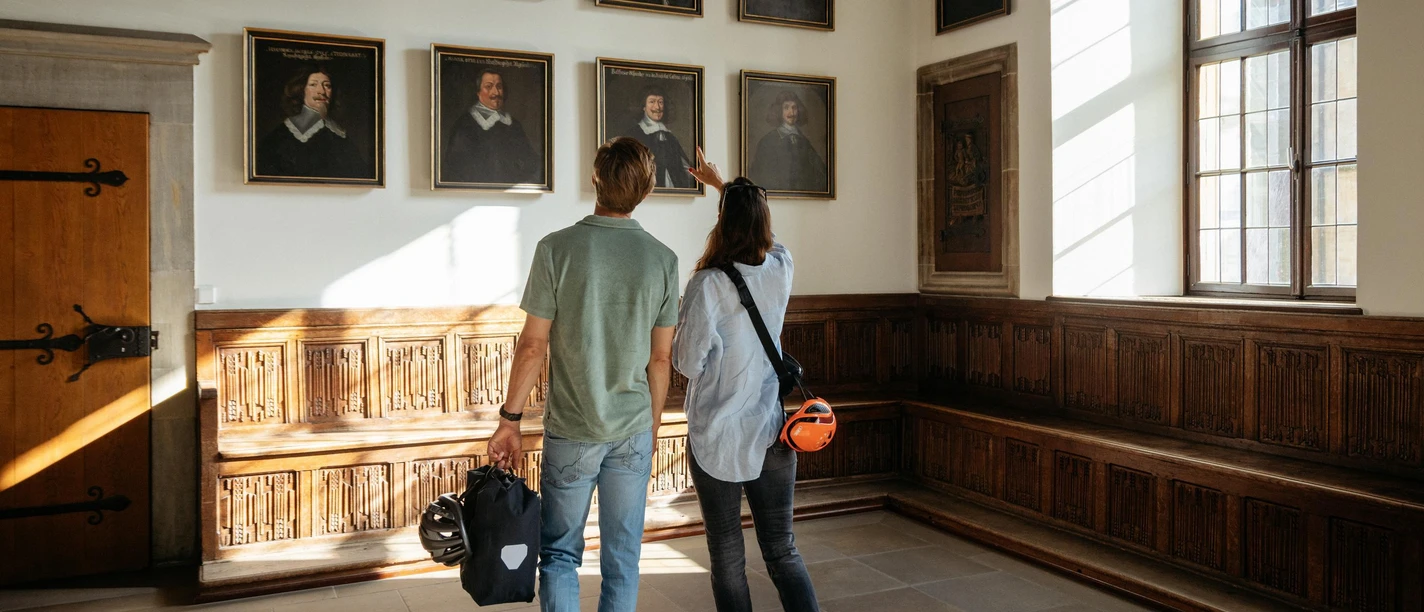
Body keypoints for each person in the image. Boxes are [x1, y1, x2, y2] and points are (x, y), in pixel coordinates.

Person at [488, 137, 678, 612]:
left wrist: (509, 419)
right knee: (623, 557)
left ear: (595, 179)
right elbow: (660, 360)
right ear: (647, 190)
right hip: (632, 427)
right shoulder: (663, 260)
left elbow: (533, 344)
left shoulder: (556, 249)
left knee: (557, 555)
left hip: (573, 429)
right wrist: (651, 426)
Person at [673, 148, 820, 612]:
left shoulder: (708, 285)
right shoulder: (781, 267)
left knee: (728, 557)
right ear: (763, 222)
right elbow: (767, 235)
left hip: (718, 434)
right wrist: (726, 188)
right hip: (773, 430)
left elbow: (686, 363)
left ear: (722, 224)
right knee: (782, 549)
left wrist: (724, 195)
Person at [256, 65, 367, 179]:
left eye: (327, 85)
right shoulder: (281, 136)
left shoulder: (341, 136)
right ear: (301, 90)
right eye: (313, 85)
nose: (322, 91)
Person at [442, 68, 542, 185]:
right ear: (478, 92)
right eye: (488, 87)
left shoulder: (513, 124)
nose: (496, 93)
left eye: (499, 87)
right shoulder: (465, 124)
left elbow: (531, 161)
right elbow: (456, 169)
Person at [748, 90, 828, 193]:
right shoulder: (767, 141)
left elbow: (819, 172)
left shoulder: (804, 142)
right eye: (786, 108)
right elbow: (760, 174)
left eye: (794, 107)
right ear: (778, 111)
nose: (792, 112)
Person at [624, 87, 696, 189]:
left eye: (661, 102)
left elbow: (684, 165)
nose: (657, 107)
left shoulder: (670, 137)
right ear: (643, 106)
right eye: (652, 102)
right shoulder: (634, 135)